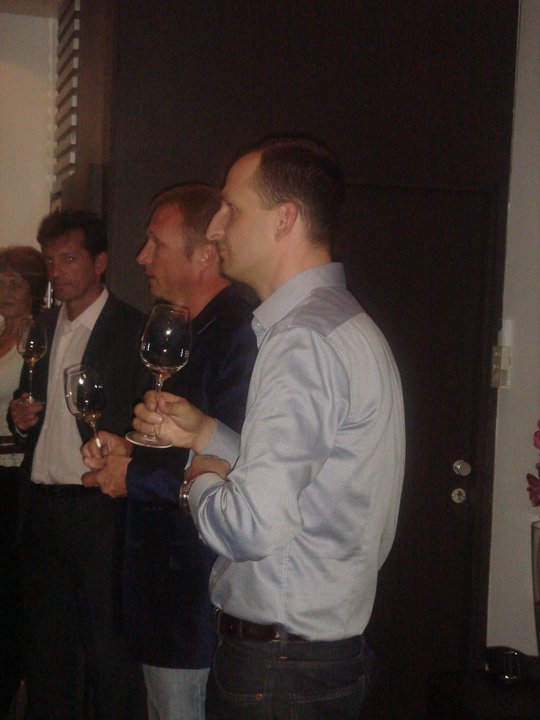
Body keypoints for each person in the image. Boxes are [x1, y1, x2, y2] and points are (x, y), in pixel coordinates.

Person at [132, 137, 406, 719]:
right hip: (310, 658)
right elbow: (311, 481)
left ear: (285, 219)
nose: (215, 229)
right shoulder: (338, 323)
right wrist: (207, 433)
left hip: (279, 669)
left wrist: (197, 480)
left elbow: (252, 527)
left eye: (231, 209)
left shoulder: (302, 340)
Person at [80, 184, 257, 720]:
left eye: (156, 243)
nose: (141, 257)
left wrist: (131, 478)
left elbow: (234, 464)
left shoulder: (236, 334)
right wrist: (128, 450)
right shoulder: (184, 327)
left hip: (194, 597)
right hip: (162, 592)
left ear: (204, 254)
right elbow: (177, 440)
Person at [9, 210, 147, 720]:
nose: (56, 271)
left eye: (68, 259)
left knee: (109, 655)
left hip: (98, 512)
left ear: (100, 262)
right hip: (41, 509)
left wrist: (126, 448)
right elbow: (28, 412)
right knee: (47, 655)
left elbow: (148, 424)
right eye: (51, 261)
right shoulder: (43, 327)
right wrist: (20, 418)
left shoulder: (131, 329)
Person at [0, 246, 47, 716]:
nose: (5, 292)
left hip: (13, 479)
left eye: (15, 283)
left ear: (34, 289)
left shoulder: (37, 340)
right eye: (0, 283)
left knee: (11, 590)